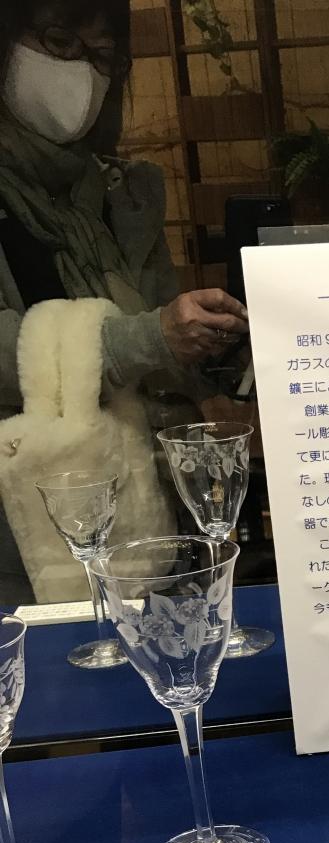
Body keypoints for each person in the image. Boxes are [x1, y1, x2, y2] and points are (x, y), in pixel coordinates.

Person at [0, 0, 250, 601]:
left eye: (103, 56)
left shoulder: (120, 194)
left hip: (148, 522)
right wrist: (147, 338)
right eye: (59, 42)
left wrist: (215, 361)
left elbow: (161, 346)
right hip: (24, 543)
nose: (81, 73)